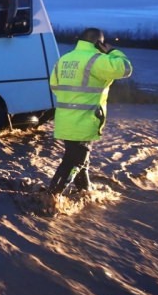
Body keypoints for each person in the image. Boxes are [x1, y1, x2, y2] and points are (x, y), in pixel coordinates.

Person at [47, 28, 133, 195]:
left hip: (65, 119)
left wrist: (73, 99)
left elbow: (55, 87)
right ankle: (52, 196)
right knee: (74, 161)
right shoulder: (97, 59)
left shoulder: (64, 59)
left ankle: (85, 191)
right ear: (99, 43)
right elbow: (125, 68)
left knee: (79, 158)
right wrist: (113, 51)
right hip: (85, 120)